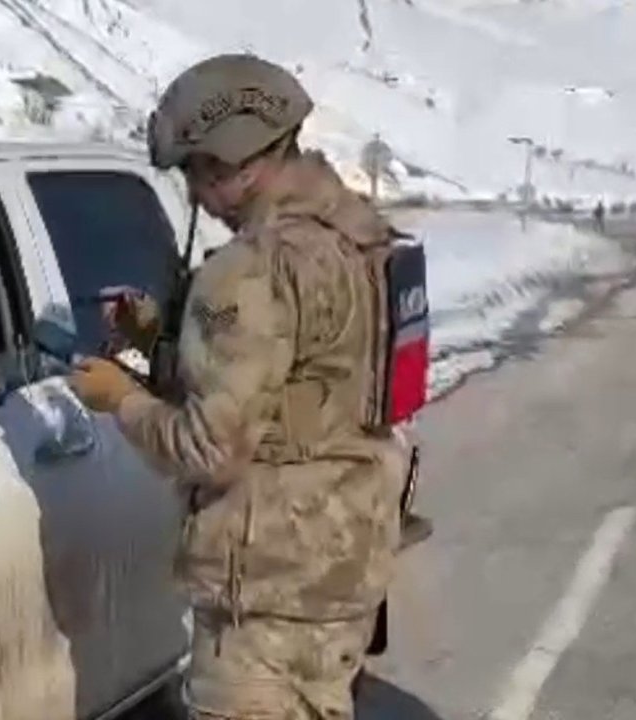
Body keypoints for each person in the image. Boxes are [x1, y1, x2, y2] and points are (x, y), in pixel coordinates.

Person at [68, 53, 408, 719]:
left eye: (199, 172)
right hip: (344, 564)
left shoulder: (247, 271)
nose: (196, 194)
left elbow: (209, 450)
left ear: (239, 164)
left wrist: (121, 397)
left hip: (268, 592)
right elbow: (305, 378)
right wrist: (160, 342)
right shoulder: (360, 235)